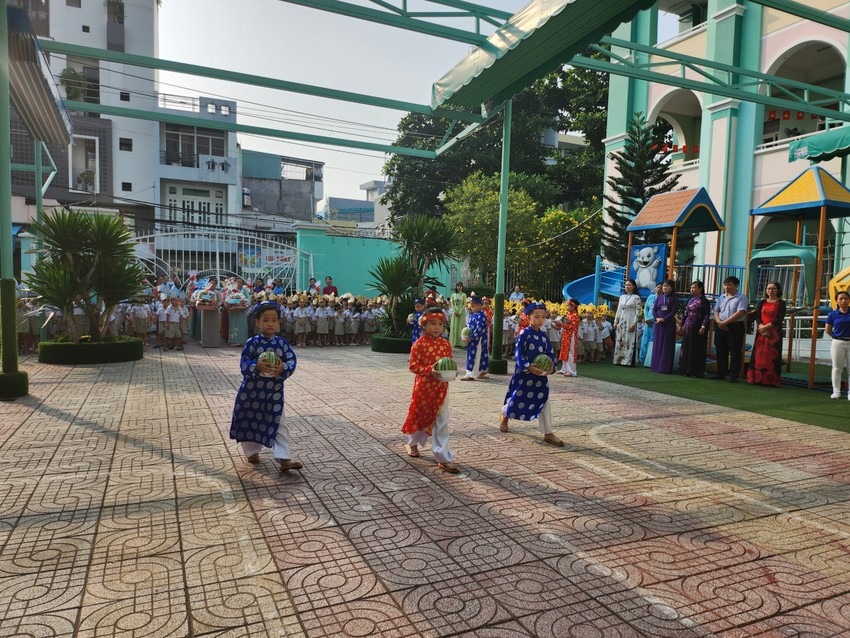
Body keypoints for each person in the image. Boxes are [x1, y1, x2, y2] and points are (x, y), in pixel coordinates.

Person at [229, 301, 301, 471]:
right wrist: (256, 366)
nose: (270, 324)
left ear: (279, 322)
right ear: (257, 322)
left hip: (274, 393)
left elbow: (291, 359)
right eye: (266, 320)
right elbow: (244, 363)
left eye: (274, 320)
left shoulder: (282, 344)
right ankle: (251, 452)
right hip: (251, 393)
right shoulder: (252, 343)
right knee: (249, 421)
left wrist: (284, 367)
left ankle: (284, 459)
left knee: (279, 422)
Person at [401, 307, 459, 473]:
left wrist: (452, 372)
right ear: (424, 325)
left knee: (442, 420)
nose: (437, 327)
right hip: (424, 389)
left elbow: (449, 362)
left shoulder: (445, 344)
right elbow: (413, 366)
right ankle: (411, 443)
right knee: (420, 416)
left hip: (442, 389)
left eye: (440, 324)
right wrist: (429, 371)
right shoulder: (418, 344)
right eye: (432, 324)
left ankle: (443, 457)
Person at [498, 302, 564, 447]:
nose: (540, 320)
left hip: (540, 376)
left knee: (544, 400)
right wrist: (528, 366)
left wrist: (551, 367)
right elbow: (518, 353)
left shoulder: (543, 337)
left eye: (543, 317)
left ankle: (548, 433)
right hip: (524, 374)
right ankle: (505, 415)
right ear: (528, 317)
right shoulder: (524, 334)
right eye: (536, 317)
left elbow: (550, 354)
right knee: (516, 398)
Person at [747, 281, 786, 387]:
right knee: (759, 355)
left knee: (772, 355)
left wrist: (766, 327)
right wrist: (760, 326)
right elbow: (758, 316)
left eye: (773, 288)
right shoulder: (762, 302)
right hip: (761, 332)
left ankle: (771, 380)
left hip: (774, 333)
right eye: (768, 288)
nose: (770, 290)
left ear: (778, 290)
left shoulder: (781, 303)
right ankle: (757, 378)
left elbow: (779, 318)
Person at [713, 275, 749, 382]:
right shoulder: (722, 297)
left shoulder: (741, 297)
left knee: (735, 350)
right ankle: (721, 372)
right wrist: (719, 322)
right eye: (725, 285)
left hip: (735, 326)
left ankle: (733, 374)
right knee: (720, 349)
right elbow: (716, 310)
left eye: (729, 285)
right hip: (720, 326)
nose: (727, 287)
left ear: (736, 286)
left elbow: (740, 312)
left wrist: (725, 323)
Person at [678, 280, 711, 378]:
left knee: (697, 348)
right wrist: (681, 324)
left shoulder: (704, 301)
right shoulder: (690, 300)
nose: (692, 289)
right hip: (688, 327)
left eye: (694, 287)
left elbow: (706, 315)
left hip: (698, 327)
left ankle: (696, 370)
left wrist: (703, 326)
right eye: (691, 287)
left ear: (700, 288)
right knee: (687, 347)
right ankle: (685, 369)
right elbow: (685, 313)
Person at [825, 290, 850, 399]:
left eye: (845, 298)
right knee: (836, 368)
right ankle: (836, 391)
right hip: (838, 342)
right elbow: (828, 329)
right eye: (841, 299)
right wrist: (836, 336)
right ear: (837, 301)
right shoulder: (833, 314)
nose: (843, 301)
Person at [650, 279, 679, 374]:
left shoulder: (674, 298)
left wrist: (664, 319)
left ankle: (664, 367)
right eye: (664, 286)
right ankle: (656, 366)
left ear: (671, 287)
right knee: (658, 344)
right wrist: (657, 318)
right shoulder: (659, 297)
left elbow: (673, 311)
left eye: (667, 286)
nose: (665, 288)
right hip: (659, 324)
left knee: (666, 345)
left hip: (668, 324)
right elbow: (654, 309)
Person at [613, 279, 641, 366]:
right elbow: (618, 310)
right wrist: (615, 321)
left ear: (633, 286)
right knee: (620, 340)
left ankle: (627, 361)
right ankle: (618, 359)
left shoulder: (636, 297)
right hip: (621, 321)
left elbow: (638, 311)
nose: (627, 287)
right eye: (626, 285)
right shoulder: (622, 297)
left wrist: (634, 323)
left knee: (629, 340)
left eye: (629, 285)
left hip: (630, 321)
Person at [461, 295, 489, 380]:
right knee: (474, 355)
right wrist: (464, 336)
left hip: (478, 340)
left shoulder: (482, 316)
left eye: (473, 306)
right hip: (472, 339)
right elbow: (468, 327)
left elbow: (479, 329)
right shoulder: (473, 315)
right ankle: (482, 371)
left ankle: (471, 374)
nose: (471, 308)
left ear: (479, 306)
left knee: (476, 355)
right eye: (471, 306)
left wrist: (471, 337)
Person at [639, 283, 661, 366]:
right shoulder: (651, 297)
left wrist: (652, 319)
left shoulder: (663, 299)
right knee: (645, 339)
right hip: (647, 322)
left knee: (653, 340)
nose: (659, 289)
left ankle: (651, 360)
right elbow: (646, 309)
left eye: (661, 288)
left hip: (655, 323)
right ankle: (642, 359)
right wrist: (646, 318)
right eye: (658, 287)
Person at [557, 299, 580, 376]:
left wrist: (561, 324)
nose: (567, 307)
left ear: (573, 306)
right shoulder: (568, 314)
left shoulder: (575, 316)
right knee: (564, 351)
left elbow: (571, 327)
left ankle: (571, 371)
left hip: (571, 335)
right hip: (566, 335)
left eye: (568, 305)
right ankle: (564, 369)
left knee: (570, 352)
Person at [449, 282, 468, 348]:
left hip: (461, 312)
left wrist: (460, 311)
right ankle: (454, 342)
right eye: (458, 286)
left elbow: (464, 304)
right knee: (454, 326)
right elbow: (452, 304)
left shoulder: (464, 295)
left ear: (462, 287)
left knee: (460, 326)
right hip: (455, 312)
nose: (459, 287)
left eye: (460, 286)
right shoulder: (453, 295)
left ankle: (461, 342)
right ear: (456, 287)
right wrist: (454, 311)